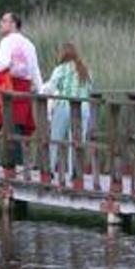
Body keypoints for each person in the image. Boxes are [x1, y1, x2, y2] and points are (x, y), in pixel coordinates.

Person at [0, 12, 43, 169]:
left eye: (4, 21)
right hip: (24, 89)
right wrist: (40, 90)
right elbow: (35, 71)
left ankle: (10, 166)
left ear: (13, 24)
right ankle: (18, 165)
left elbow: (4, 63)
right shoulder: (29, 44)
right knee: (18, 125)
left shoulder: (6, 42)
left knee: (8, 126)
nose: (1, 23)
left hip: (9, 88)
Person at [41, 42, 93, 179]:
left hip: (65, 105)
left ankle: (49, 169)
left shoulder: (61, 69)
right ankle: (75, 173)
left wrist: (42, 90)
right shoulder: (85, 69)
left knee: (55, 139)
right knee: (76, 142)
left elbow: (50, 88)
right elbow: (90, 89)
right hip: (84, 107)